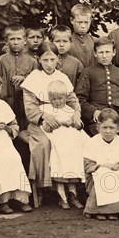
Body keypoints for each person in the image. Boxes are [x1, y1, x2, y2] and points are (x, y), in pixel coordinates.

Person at [21, 42, 83, 199]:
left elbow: (73, 100)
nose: (49, 64)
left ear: (58, 59)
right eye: (45, 60)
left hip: (64, 117)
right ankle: (49, 185)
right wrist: (45, 116)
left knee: (79, 139)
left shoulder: (62, 77)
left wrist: (76, 113)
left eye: (53, 59)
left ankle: (74, 184)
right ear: (38, 59)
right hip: (41, 121)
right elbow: (30, 109)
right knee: (45, 143)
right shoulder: (33, 79)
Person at [0, 71, 32, 214]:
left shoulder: (3, 105)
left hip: (4, 140)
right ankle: (2, 201)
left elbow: (15, 126)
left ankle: (19, 198)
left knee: (14, 159)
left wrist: (7, 128)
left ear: (1, 88)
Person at [39, 80, 87, 210]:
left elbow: (80, 126)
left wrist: (74, 123)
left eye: (60, 98)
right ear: (49, 98)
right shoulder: (46, 110)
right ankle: (62, 197)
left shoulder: (70, 110)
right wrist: (59, 123)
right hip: (56, 139)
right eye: (54, 99)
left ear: (66, 97)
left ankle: (73, 194)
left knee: (75, 152)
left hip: (71, 139)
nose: (57, 101)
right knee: (60, 155)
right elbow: (45, 128)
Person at [75, 36, 119, 137]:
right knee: (104, 136)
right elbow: (80, 99)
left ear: (114, 52)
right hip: (97, 119)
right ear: (95, 54)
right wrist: (93, 111)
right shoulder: (88, 72)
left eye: (107, 52)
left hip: (118, 118)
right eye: (101, 52)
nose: (104, 56)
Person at [82, 108, 119, 220]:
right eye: (104, 127)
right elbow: (88, 166)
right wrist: (104, 166)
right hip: (95, 177)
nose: (108, 131)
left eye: (111, 128)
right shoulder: (91, 143)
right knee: (103, 173)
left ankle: (113, 210)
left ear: (118, 129)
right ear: (98, 127)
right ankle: (98, 210)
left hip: (117, 176)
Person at [0, 24, 37, 132]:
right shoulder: (1, 60)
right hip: (7, 102)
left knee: (26, 131)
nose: (15, 42)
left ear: (24, 40)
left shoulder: (32, 61)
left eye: (18, 39)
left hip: (25, 105)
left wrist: (26, 78)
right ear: (6, 40)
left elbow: (37, 81)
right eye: (12, 39)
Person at [68, 3, 96, 68]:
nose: (83, 26)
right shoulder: (67, 42)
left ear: (90, 21)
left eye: (86, 22)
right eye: (79, 22)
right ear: (72, 20)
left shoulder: (95, 41)